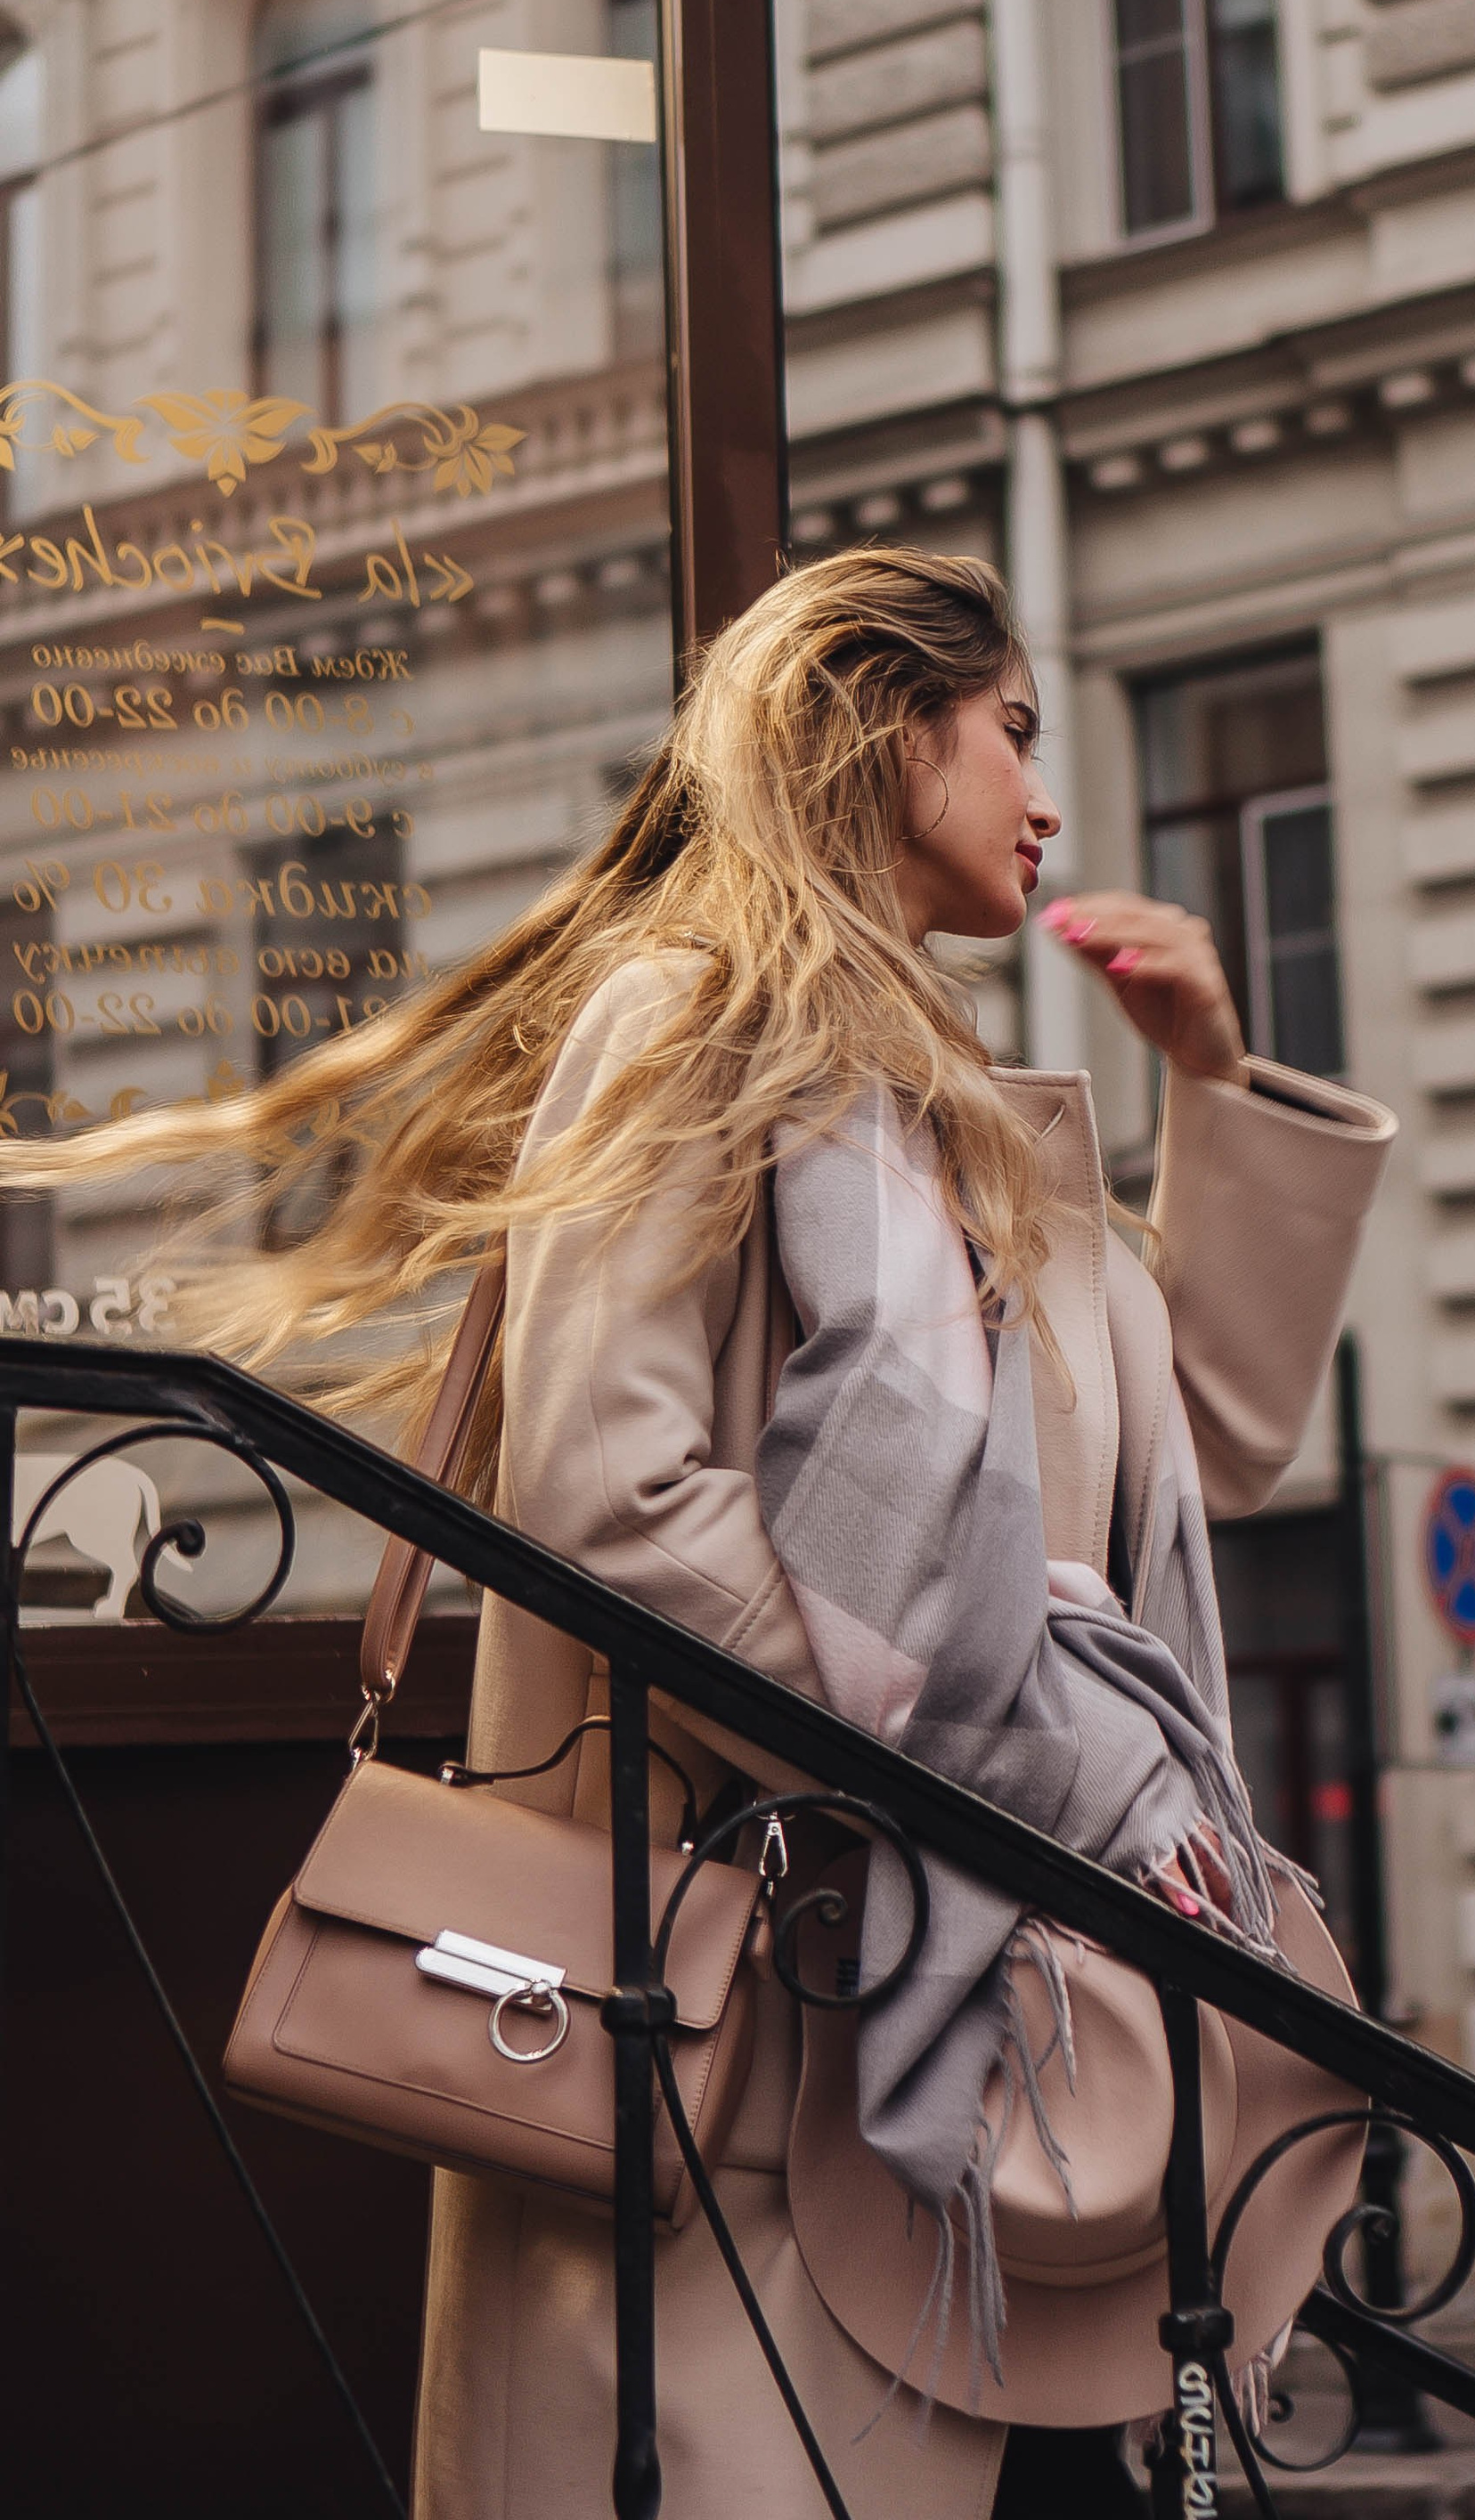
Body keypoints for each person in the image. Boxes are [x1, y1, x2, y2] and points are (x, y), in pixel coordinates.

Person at [5, 549, 1393, 2518]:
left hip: (988, 2040)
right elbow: (607, 1503)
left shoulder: (975, 1141)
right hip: (743, 2034)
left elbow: (1218, 1444)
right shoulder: (694, 1030)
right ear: (873, 730)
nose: (1047, 800)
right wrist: (971, 1760)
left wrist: (1210, 1075)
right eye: (1010, 734)